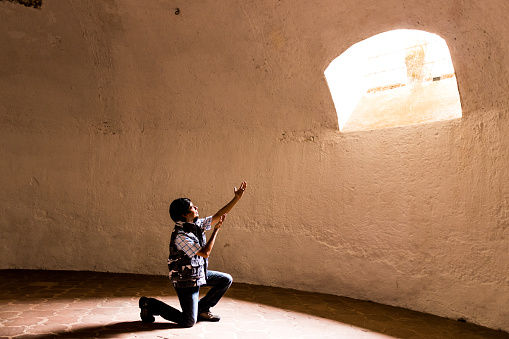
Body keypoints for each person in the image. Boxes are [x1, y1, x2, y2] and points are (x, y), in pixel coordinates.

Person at [138, 181, 247, 327]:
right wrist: (216, 230)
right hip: (185, 281)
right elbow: (205, 253)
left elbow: (218, 215)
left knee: (225, 279)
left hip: (198, 275)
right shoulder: (180, 236)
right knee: (188, 321)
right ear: (184, 214)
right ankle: (149, 303)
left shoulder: (196, 224)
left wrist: (236, 198)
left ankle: (202, 308)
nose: (196, 208)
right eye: (192, 207)